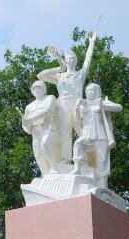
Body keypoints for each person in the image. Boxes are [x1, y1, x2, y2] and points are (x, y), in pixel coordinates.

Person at [37, 32, 97, 162]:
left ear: (76, 61)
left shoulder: (80, 74)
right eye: (68, 58)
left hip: (77, 103)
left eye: (73, 58)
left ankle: (88, 157)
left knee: (83, 130)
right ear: (65, 60)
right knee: (65, 132)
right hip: (63, 104)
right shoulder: (60, 76)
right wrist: (59, 68)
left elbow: (88, 58)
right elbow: (40, 76)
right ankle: (66, 158)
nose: (70, 60)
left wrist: (91, 43)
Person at [72, 83, 122, 188]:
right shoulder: (83, 104)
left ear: (97, 91)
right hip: (87, 135)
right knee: (78, 144)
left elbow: (119, 107)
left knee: (101, 163)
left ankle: (103, 187)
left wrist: (103, 105)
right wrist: (77, 107)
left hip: (101, 136)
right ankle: (77, 169)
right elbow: (79, 122)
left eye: (92, 90)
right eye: (88, 90)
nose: (90, 92)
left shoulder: (101, 102)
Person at [22, 80, 61, 175]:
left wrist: (30, 119)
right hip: (35, 131)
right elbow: (26, 124)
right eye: (34, 88)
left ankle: (55, 169)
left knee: (45, 144)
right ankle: (46, 175)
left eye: (39, 87)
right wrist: (26, 124)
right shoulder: (29, 107)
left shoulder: (50, 98)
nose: (37, 90)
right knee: (38, 154)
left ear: (44, 89)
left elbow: (47, 110)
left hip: (48, 127)